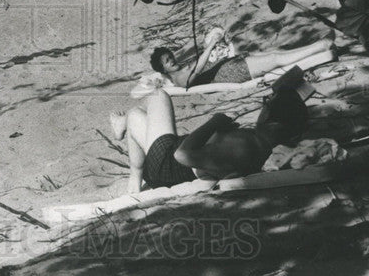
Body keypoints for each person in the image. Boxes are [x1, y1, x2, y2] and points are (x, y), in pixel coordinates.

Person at [109, 72, 309, 192]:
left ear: (273, 123)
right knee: (135, 114)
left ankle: (135, 172)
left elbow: (182, 155)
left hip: (167, 164)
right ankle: (134, 175)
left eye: (267, 104)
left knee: (157, 94)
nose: (262, 107)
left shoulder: (243, 145)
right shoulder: (258, 146)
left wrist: (214, 123)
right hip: (169, 166)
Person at [149, 28, 335, 90]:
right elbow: (197, 70)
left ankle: (317, 45)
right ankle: (321, 46)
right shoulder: (180, 79)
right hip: (231, 73)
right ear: (163, 70)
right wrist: (212, 45)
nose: (171, 60)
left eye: (170, 56)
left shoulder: (179, 68)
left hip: (228, 65)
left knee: (274, 51)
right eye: (167, 61)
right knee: (276, 58)